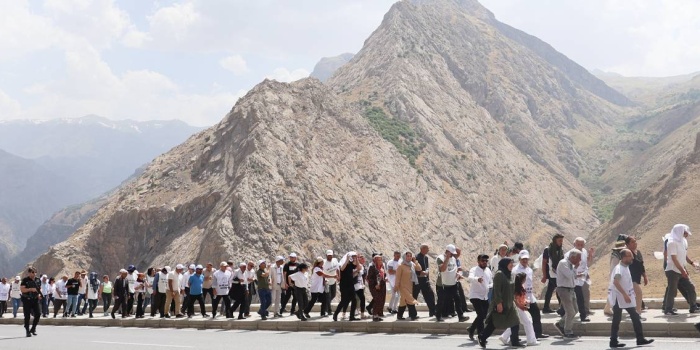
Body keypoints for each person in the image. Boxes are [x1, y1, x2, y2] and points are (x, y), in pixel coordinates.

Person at [609, 249, 654, 348]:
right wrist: (625, 295)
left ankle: (638, 339)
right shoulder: (619, 269)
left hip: (624, 298)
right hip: (619, 298)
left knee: (633, 317)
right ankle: (615, 341)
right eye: (630, 256)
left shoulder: (625, 267)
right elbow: (615, 282)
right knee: (622, 319)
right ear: (624, 257)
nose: (632, 257)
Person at [478, 258, 520, 348]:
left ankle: (515, 341)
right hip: (501, 303)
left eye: (512, 263)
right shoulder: (499, 274)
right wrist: (499, 303)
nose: (512, 265)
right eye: (510, 263)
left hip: (510, 303)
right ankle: (482, 337)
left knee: (515, 321)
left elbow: (512, 289)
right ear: (505, 264)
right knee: (494, 323)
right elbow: (496, 290)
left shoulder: (511, 274)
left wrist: (515, 299)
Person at [663, 224, 698, 315]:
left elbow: (684, 255)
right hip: (672, 270)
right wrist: (683, 271)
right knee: (672, 290)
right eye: (685, 232)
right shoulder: (671, 243)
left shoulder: (684, 241)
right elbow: (674, 259)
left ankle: (693, 307)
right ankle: (668, 309)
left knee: (691, 286)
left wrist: (692, 263)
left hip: (681, 269)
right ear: (680, 232)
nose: (686, 234)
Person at [513, 250, 548, 339]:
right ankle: (509, 337)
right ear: (520, 259)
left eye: (526, 259)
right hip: (520, 298)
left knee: (536, 314)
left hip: (529, 297)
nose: (525, 261)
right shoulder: (515, 270)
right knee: (518, 319)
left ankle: (538, 333)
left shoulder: (529, 270)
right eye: (523, 259)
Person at [499, 272, 538, 346]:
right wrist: (521, 306)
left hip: (520, 306)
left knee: (516, 322)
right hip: (518, 308)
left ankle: (504, 337)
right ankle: (531, 340)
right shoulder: (516, 288)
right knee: (528, 322)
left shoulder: (519, 286)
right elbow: (515, 300)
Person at [435, 244, 468, 322]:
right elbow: (442, 269)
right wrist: (447, 258)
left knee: (457, 299)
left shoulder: (453, 259)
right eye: (451, 253)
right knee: (441, 300)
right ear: (447, 252)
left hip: (453, 283)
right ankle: (438, 315)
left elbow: (454, 269)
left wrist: (458, 275)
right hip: (443, 284)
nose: (453, 255)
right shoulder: (440, 258)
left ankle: (461, 316)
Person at [554, 248, 580, 338]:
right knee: (570, 311)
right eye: (578, 258)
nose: (579, 260)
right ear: (573, 257)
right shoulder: (563, 263)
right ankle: (568, 331)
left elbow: (572, 276)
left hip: (571, 290)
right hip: (564, 290)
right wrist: (575, 267)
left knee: (575, 310)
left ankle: (561, 324)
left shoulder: (570, 264)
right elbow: (569, 275)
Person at [468, 254, 492, 340]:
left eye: (486, 261)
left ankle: (471, 329)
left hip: (484, 296)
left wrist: (490, 286)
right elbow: (470, 278)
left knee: (483, 315)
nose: (484, 262)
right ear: (478, 261)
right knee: (481, 315)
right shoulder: (474, 269)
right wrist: (477, 279)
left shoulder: (488, 270)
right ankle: (481, 335)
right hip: (475, 295)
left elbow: (490, 282)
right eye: (483, 260)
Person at [395, 251, 421, 321]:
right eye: (407, 256)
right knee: (410, 300)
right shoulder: (401, 266)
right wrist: (396, 286)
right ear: (404, 257)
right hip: (403, 286)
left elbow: (419, 269)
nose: (409, 257)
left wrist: (415, 261)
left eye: (410, 256)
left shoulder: (412, 264)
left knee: (403, 301)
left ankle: (399, 315)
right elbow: (398, 277)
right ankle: (413, 315)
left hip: (410, 286)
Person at [541, 233, 564, 313]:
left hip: (559, 273)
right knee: (559, 289)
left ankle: (546, 307)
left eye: (562, 241)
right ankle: (561, 308)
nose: (561, 242)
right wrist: (544, 275)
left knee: (551, 290)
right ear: (555, 241)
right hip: (552, 273)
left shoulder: (560, 250)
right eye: (559, 240)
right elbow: (544, 263)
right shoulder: (548, 250)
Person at [625, 236, 648, 316]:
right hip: (630, 278)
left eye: (635, 241)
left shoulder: (638, 252)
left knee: (633, 295)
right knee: (638, 293)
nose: (635, 243)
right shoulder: (627, 253)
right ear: (627, 244)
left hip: (637, 277)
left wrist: (644, 276)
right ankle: (638, 312)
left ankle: (634, 311)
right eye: (632, 242)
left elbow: (641, 265)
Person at [334, 252, 359, 321]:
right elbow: (342, 269)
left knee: (354, 300)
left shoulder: (351, 264)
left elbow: (358, 267)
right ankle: (335, 314)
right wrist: (347, 259)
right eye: (352, 256)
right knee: (344, 301)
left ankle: (351, 316)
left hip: (350, 284)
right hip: (344, 285)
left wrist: (356, 259)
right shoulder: (343, 264)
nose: (353, 258)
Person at [413, 244, 436, 317]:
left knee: (430, 295)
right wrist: (420, 272)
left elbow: (427, 268)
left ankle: (432, 311)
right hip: (417, 280)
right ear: (422, 249)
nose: (428, 250)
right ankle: (412, 314)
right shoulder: (416, 257)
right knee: (414, 297)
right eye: (427, 248)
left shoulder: (426, 258)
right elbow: (414, 268)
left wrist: (427, 277)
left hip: (425, 280)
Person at [20, 267, 42, 337]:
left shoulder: (38, 280)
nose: (34, 273)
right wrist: (30, 289)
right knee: (27, 316)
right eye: (32, 272)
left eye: (35, 272)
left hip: (35, 299)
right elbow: (22, 290)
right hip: (27, 300)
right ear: (29, 273)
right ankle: (27, 330)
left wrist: (39, 295)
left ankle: (33, 328)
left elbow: (38, 288)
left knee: (38, 314)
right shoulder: (25, 280)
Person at [367, 253, 387, 322]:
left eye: (381, 259)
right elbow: (369, 278)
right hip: (374, 286)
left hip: (382, 285)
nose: (380, 261)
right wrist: (375, 285)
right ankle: (374, 315)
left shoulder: (382, 266)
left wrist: (385, 278)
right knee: (377, 299)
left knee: (381, 300)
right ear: (375, 260)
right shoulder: (372, 267)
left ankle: (378, 314)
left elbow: (384, 274)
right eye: (378, 260)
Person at [323, 250, 340, 316]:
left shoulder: (335, 260)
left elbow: (337, 269)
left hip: (333, 281)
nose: (330, 257)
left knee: (333, 294)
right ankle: (328, 310)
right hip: (327, 282)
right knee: (328, 296)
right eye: (328, 255)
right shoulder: (324, 262)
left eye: (331, 255)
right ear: (326, 255)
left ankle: (326, 306)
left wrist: (338, 277)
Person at [354, 254, 368, 319]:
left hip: (362, 284)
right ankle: (356, 310)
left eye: (363, 258)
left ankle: (360, 311)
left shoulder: (364, 266)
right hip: (356, 284)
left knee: (361, 298)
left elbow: (365, 275)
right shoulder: (356, 266)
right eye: (361, 258)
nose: (362, 259)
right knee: (356, 298)